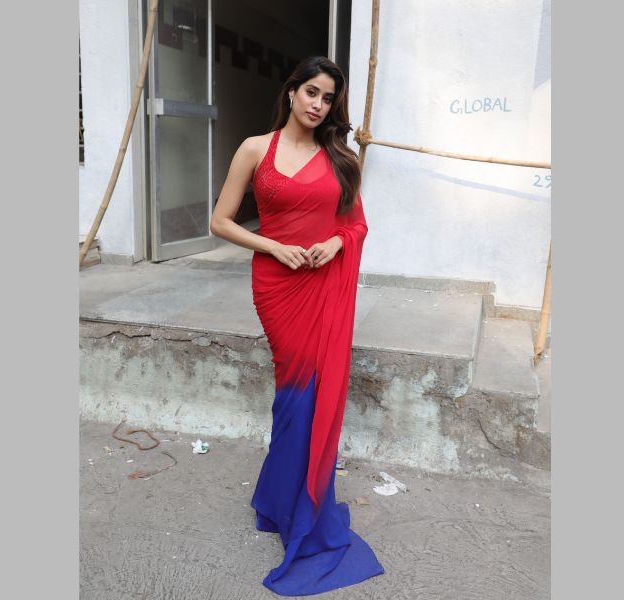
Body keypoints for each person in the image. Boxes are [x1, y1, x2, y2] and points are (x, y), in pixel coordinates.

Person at [210, 55, 384, 596]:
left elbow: (356, 224)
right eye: (311, 92)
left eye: (328, 98)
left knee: (308, 402)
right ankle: (282, 500)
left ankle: (289, 505)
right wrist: (272, 247)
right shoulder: (255, 149)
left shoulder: (340, 158)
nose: (318, 104)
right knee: (293, 397)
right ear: (291, 92)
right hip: (277, 286)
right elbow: (220, 221)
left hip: (322, 284)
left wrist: (335, 241)